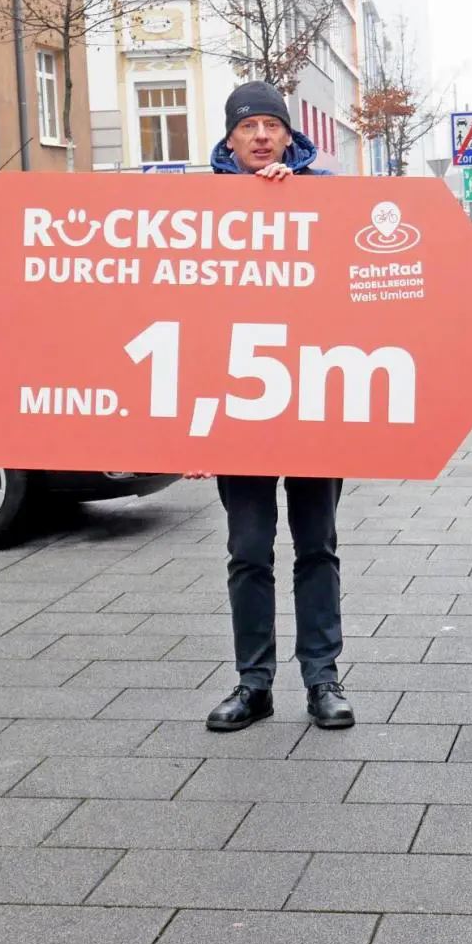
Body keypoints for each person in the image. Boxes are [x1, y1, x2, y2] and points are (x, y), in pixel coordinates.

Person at [198, 80, 354, 733]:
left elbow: (352, 291)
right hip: (240, 411)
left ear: (289, 135)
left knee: (316, 545)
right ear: (229, 139)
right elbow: (185, 312)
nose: (261, 135)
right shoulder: (201, 209)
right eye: (248, 125)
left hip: (311, 400)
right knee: (249, 548)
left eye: (271, 124)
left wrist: (299, 209)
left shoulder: (323, 199)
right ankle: (253, 683)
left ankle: (323, 681)